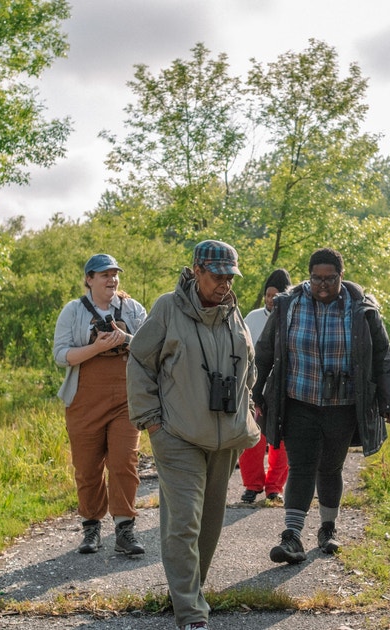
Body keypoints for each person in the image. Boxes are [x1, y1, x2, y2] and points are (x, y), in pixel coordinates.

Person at [127, 240, 260, 630]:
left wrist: (246, 407)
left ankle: (186, 592)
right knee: (184, 523)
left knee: (210, 524)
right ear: (196, 271)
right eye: (217, 276)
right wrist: (152, 422)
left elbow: (249, 366)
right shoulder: (168, 308)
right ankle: (191, 614)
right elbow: (139, 360)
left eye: (230, 277)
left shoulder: (232, 312)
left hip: (225, 439)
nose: (225, 284)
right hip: (178, 436)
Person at [253, 247, 390, 564]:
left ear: (341, 277)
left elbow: (382, 357)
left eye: (329, 279)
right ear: (309, 277)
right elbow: (264, 351)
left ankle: (328, 529)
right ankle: (292, 536)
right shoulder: (288, 305)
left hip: (343, 405)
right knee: (303, 466)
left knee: (331, 468)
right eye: (316, 279)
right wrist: (256, 391)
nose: (322, 285)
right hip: (299, 402)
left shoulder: (362, 309)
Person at [53, 254, 148, 556]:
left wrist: (126, 338)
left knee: (124, 461)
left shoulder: (133, 309)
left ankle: (125, 529)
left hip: (126, 399)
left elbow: (151, 347)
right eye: (104, 275)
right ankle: (91, 528)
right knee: (88, 467)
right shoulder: (73, 311)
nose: (111, 279)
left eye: (115, 274)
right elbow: (61, 355)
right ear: (89, 279)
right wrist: (96, 347)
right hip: (84, 400)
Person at [239, 269, 293, 504]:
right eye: (268, 294)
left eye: (276, 294)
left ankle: (274, 487)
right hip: (254, 387)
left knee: (280, 442)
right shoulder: (252, 318)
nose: (271, 299)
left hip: (284, 388)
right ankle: (252, 485)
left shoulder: (294, 315)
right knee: (253, 438)